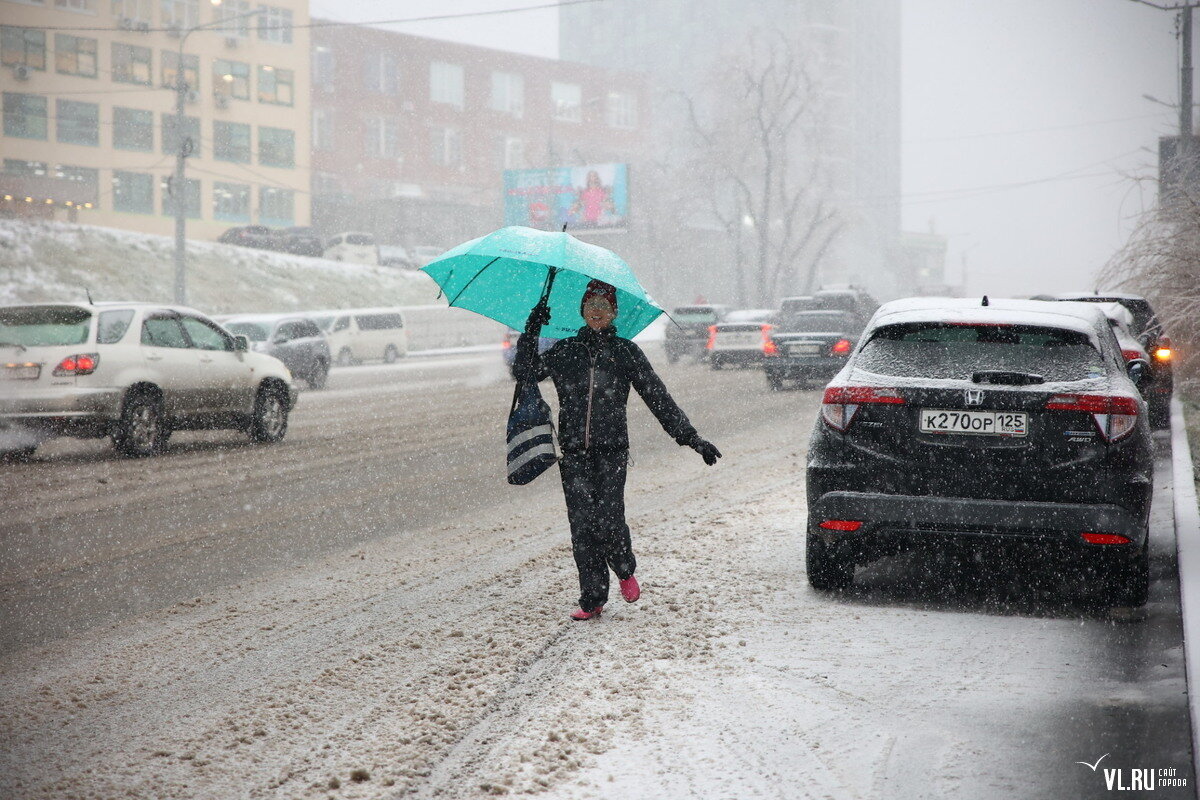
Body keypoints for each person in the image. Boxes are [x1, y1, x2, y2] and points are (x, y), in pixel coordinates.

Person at [515, 279, 722, 620]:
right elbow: (524, 373)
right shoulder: (567, 350)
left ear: (613, 314)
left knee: (610, 520)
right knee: (582, 527)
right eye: (591, 307)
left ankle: (624, 569)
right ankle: (592, 599)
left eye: (604, 308)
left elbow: (658, 398)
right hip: (573, 453)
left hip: (611, 451)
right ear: (583, 312)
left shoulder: (625, 352)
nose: (596, 313)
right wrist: (531, 331)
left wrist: (691, 438)